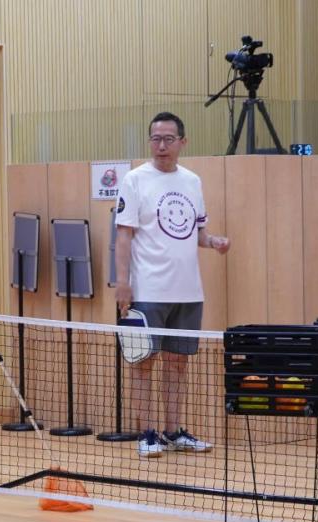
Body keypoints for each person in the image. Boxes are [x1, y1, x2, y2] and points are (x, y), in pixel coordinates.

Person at [114, 112, 231, 459]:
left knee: (178, 363)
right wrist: (123, 283)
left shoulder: (192, 181)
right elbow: (123, 236)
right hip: (148, 290)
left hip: (189, 291)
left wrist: (214, 242)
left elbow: (197, 233)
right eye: (155, 139)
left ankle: (174, 430)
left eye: (168, 139)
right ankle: (148, 433)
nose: (161, 145)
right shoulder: (135, 180)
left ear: (182, 142)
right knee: (143, 363)